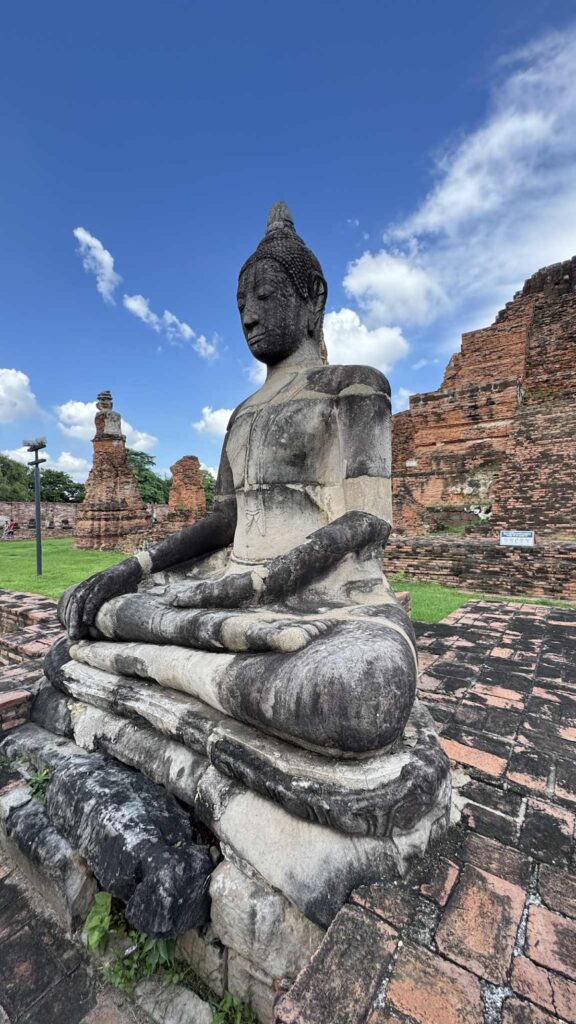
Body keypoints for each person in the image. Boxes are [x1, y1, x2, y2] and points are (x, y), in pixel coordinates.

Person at [56, 203, 417, 757]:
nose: (249, 314)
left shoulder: (354, 386)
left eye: (266, 297)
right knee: (81, 617)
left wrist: (259, 585)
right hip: (228, 590)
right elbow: (226, 519)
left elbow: (368, 520)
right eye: (241, 302)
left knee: (358, 691)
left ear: (313, 298)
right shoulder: (241, 415)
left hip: (325, 599)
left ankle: (178, 668)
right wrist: (131, 568)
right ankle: (203, 664)